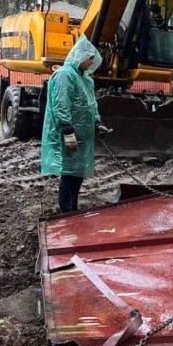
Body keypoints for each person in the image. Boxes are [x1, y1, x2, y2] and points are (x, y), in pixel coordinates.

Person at [40, 35, 110, 213]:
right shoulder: (65, 75)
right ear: (80, 56)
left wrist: (97, 122)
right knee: (69, 175)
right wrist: (67, 128)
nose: (91, 63)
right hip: (70, 134)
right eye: (89, 58)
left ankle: (73, 209)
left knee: (78, 174)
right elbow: (61, 103)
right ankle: (66, 212)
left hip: (83, 134)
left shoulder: (85, 79)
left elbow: (91, 104)